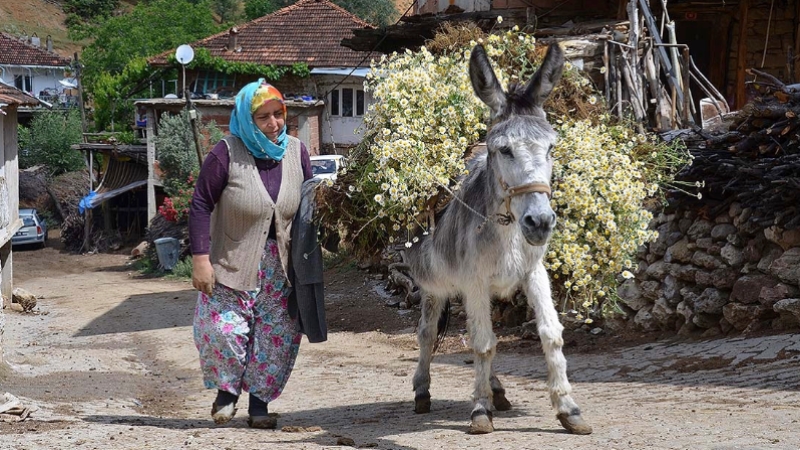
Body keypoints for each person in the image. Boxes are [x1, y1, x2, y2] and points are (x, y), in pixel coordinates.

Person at [189, 79, 314, 429]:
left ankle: (259, 405)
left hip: (282, 268)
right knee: (222, 330)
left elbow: (309, 203)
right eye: (264, 117)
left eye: (279, 115)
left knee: (275, 338)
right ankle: (227, 392)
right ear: (248, 118)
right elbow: (200, 204)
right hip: (231, 262)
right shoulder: (226, 152)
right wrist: (200, 259)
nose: (274, 124)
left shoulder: (296, 151)